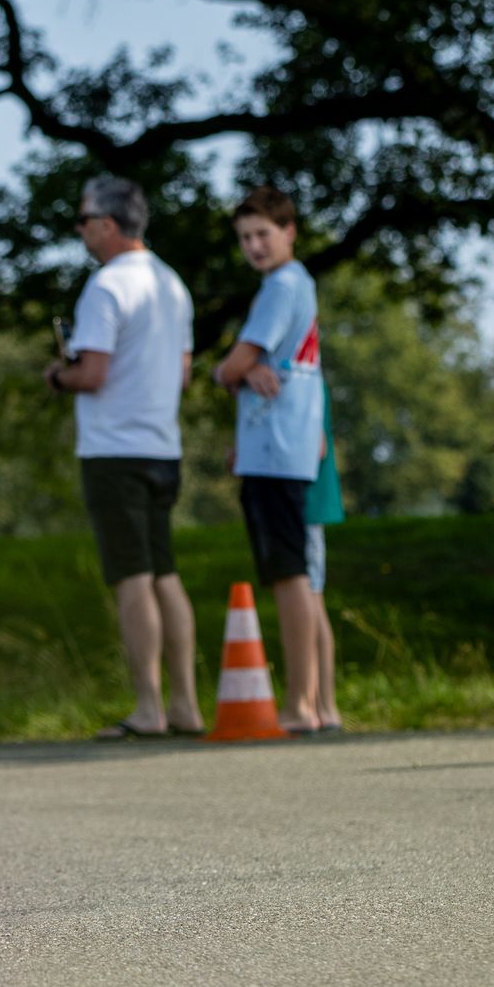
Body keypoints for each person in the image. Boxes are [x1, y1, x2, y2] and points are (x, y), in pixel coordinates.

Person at [44, 176, 203, 741]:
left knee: (131, 577)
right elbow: (183, 373)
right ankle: (186, 705)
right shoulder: (173, 285)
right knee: (166, 574)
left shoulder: (106, 286)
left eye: (84, 221)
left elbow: (93, 372)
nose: (81, 231)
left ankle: (148, 709)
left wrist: (58, 376)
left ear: (108, 225)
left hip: (114, 450)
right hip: (164, 445)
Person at [214, 185, 325, 733]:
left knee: (289, 575)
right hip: (280, 445)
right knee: (294, 573)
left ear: (289, 231)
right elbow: (246, 367)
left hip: (277, 450)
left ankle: (300, 703)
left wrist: (229, 370)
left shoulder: (281, 286)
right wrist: (241, 371)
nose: (254, 246)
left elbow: (234, 364)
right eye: (244, 238)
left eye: (262, 234)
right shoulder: (293, 285)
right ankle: (315, 703)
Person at [304, 378, 344, 735]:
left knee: (311, 597)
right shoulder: (309, 374)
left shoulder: (305, 376)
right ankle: (319, 705)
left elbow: (314, 444)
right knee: (311, 597)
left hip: (306, 499)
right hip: (305, 499)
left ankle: (323, 705)